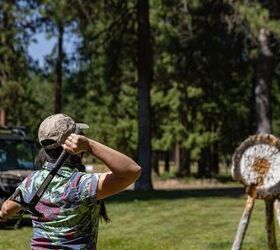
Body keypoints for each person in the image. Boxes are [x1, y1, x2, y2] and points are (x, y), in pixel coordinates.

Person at [0, 113, 141, 249]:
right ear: (75, 144)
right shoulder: (82, 184)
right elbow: (132, 171)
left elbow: (6, 209)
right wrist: (89, 145)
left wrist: (3, 214)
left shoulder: (32, 181)